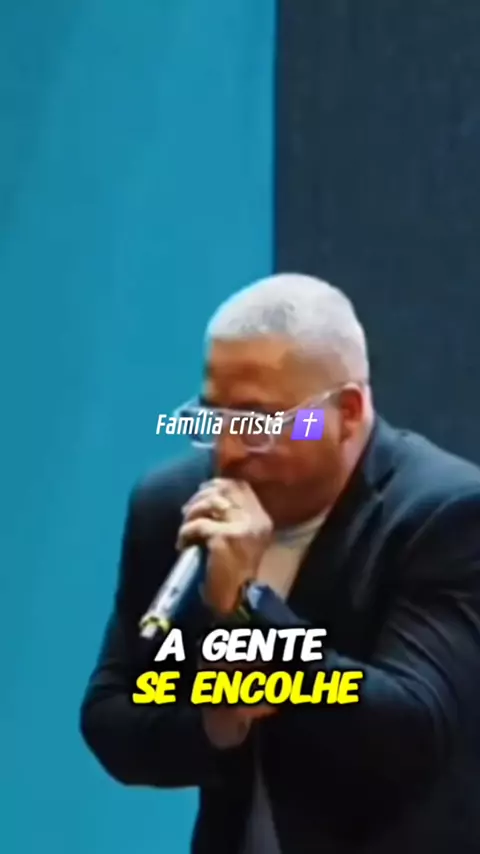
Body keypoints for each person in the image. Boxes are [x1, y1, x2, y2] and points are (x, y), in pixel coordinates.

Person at [80, 273, 480, 854]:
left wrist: (248, 606)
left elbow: (410, 735)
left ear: (347, 411)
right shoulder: (173, 505)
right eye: (214, 417)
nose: (228, 451)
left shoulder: (445, 514)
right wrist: (218, 724)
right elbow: (112, 717)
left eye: (259, 423)